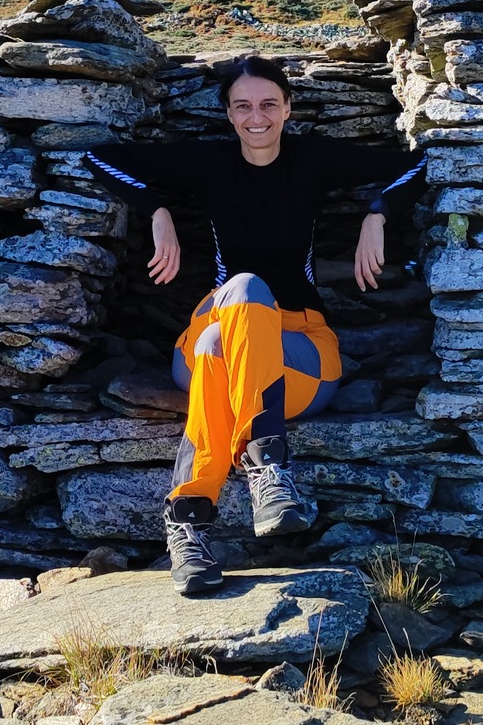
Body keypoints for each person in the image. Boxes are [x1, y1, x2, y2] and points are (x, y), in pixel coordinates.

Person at [85, 55, 425, 594]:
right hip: (215, 325)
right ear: (228, 114)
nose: (256, 116)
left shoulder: (313, 160)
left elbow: (416, 163)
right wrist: (158, 212)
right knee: (238, 295)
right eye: (242, 106)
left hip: (299, 352)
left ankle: (187, 524)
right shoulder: (210, 164)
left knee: (220, 346)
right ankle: (268, 466)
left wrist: (377, 214)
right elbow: (98, 156)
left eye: (269, 103)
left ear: (288, 108)